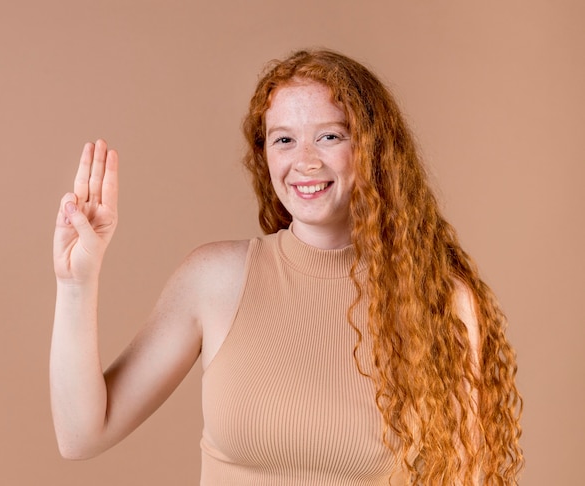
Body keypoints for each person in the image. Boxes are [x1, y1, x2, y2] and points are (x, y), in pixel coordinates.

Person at [51, 49, 523, 485]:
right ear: (265, 156)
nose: (305, 161)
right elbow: (82, 435)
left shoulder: (439, 301)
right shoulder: (214, 280)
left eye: (330, 136)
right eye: (284, 139)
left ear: (374, 150)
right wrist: (76, 284)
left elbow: (468, 476)